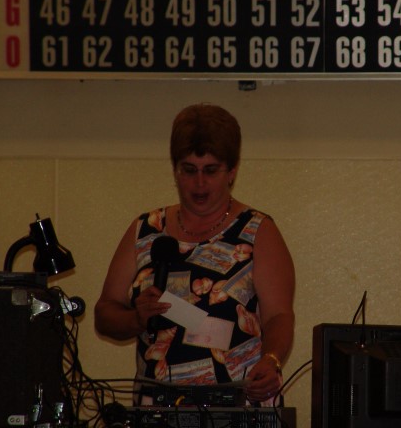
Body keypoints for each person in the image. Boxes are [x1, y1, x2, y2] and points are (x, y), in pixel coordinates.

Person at [94, 103, 295, 406]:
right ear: (175, 170)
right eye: (189, 170)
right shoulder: (146, 230)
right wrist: (136, 318)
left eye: (210, 170)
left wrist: (272, 359)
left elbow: (279, 315)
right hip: (157, 407)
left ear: (232, 171)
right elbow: (105, 313)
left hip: (237, 406)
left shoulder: (257, 231)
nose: (199, 183)